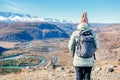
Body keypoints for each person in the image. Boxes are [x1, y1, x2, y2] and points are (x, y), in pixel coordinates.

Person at [68, 12, 99, 80]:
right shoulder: (93, 33)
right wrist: (90, 52)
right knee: (87, 76)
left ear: (80, 23)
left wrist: (74, 54)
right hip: (89, 59)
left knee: (79, 76)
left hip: (78, 59)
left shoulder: (75, 33)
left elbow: (70, 46)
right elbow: (97, 46)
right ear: (88, 23)